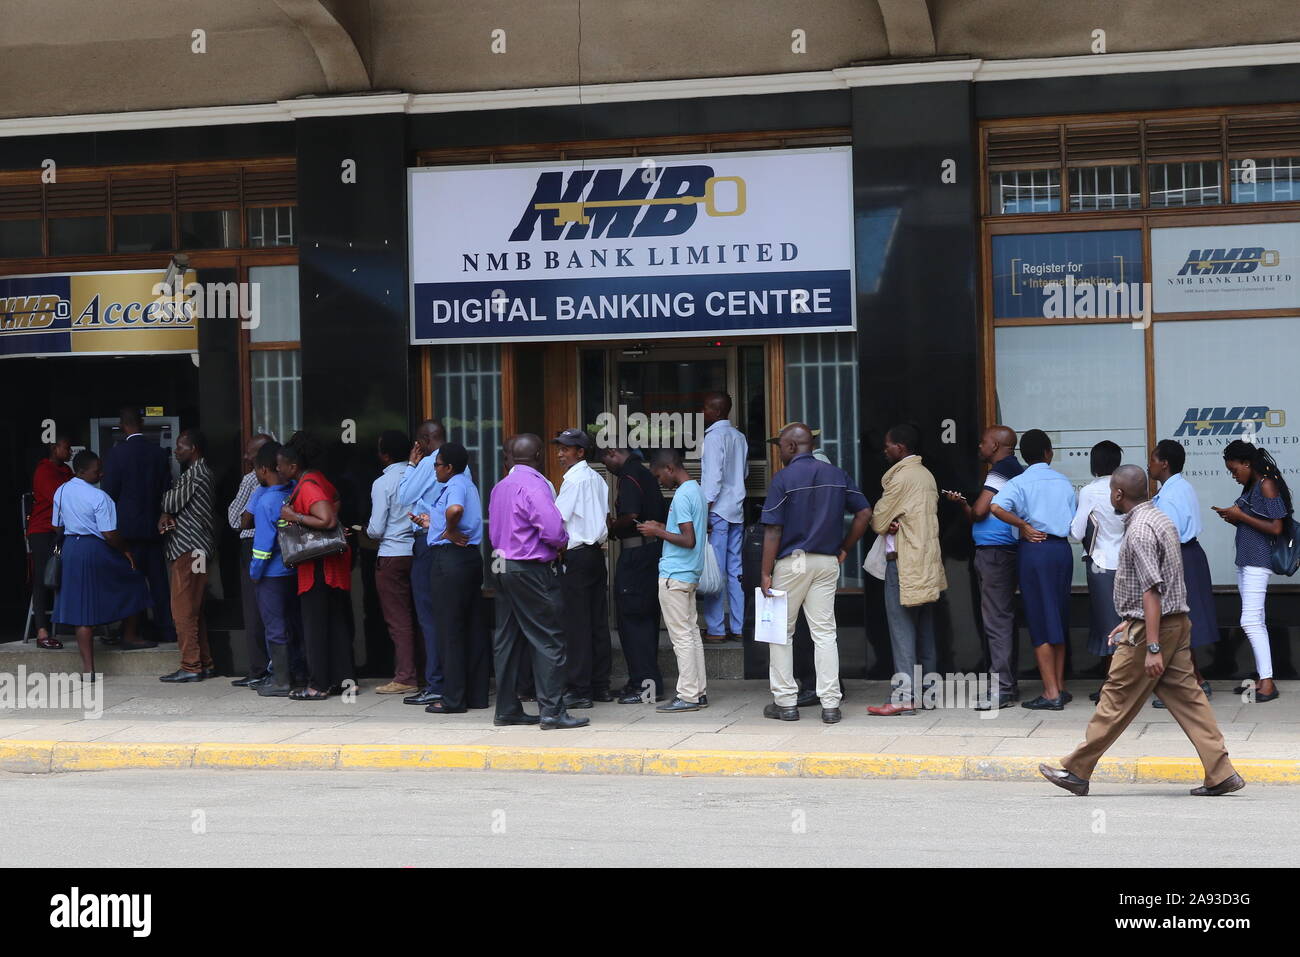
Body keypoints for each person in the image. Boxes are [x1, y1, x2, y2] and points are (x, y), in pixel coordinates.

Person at [1040, 465, 1244, 798]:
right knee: (1189, 700)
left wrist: (1150, 645)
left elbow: (1153, 589)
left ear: (1118, 494)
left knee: (1116, 696)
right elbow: (1156, 586)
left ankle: (1076, 770)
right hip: (1175, 623)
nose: (1110, 495)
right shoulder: (1160, 518)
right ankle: (1221, 772)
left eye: (1112, 491)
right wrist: (1131, 618)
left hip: (1155, 629)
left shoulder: (1139, 531)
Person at [760, 423, 873, 723]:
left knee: (782, 633)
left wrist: (765, 572)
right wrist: (845, 547)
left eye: (782, 447)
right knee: (825, 634)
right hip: (826, 562)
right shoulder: (837, 475)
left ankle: (785, 703)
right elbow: (864, 512)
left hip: (793, 562)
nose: (780, 453)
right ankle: (831, 704)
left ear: (793, 447)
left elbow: (773, 528)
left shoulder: (783, 478)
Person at [488, 434, 588, 730]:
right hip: (529, 569)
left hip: (501, 565)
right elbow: (554, 530)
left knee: (506, 639)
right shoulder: (535, 485)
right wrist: (562, 543)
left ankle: (506, 709)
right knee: (548, 639)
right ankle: (552, 712)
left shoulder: (500, 486)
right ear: (540, 456)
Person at [990, 428, 1077, 710]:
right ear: (1049, 453)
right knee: (1059, 617)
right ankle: (1060, 687)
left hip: (1035, 550)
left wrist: (1024, 526)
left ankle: (1050, 693)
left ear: (1023, 456)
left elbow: (995, 507)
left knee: (1040, 619)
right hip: (1061, 551)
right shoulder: (1064, 482)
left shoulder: (1020, 481)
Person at [866, 425, 948, 716]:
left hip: (904, 564)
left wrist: (886, 522)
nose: (884, 450)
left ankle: (902, 697)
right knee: (925, 630)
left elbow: (877, 520)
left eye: (888, 445)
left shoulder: (901, 478)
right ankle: (927, 693)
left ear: (900, 448)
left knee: (902, 632)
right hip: (926, 560)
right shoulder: (926, 475)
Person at [51, 450, 153, 675]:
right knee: (135, 580)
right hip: (95, 549)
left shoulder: (60, 491)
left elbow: (57, 526)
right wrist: (126, 550)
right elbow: (109, 533)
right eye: (97, 471)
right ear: (82, 471)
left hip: (71, 549)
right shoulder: (100, 497)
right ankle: (129, 635)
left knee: (81, 609)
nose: (101, 474)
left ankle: (88, 669)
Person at [944, 425, 1023, 710]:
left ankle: (1001, 688)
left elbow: (979, 512)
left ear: (997, 445)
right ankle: (1008, 684)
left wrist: (966, 506)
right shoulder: (1015, 468)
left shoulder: (1001, 470)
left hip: (995, 553)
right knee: (1004, 618)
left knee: (996, 621)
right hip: (1008, 549)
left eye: (983, 441)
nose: (979, 446)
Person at [278, 433, 355, 701]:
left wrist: (294, 517)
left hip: (318, 566)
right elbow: (335, 502)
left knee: (315, 626)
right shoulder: (318, 479)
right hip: (330, 563)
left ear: (293, 466)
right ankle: (344, 681)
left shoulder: (308, 485)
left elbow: (327, 518)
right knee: (334, 622)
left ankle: (318, 685)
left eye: (281, 465)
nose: (278, 469)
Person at [413, 441, 489, 714]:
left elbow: (455, 511)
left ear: (449, 467)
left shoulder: (455, 483)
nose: (434, 470)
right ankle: (476, 695)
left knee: (450, 630)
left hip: (450, 560)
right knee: (472, 626)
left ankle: (453, 699)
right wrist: (432, 522)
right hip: (469, 559)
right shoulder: (468, 484)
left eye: (437, 464)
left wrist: (447, 529)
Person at [1213, 439, 1290, 703]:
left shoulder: (1266, 484)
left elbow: (1277, 527)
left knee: (1249, 621)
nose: (1234, 475)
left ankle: (1267, 683)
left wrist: (1241, 516)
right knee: (1256, 620)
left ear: (1247, 464)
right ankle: (1262, 679)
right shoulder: (1252, 487)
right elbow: (1257, 525)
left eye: (1235, 470)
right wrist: (1234, 518)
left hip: (1259, 561)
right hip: (1246, 560)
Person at [639, 447, 709, 713]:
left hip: (675, 575)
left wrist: (657, 531)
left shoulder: (681, 496)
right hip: (689, 574)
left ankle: (688, 695)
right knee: (691, 634)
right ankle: (698, 691)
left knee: (681, 637)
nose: (660, 482)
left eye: (659, 476)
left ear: (669, 468)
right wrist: (664, 527)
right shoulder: (696, 490)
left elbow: (687, 540)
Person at [599, 445, 669, 704]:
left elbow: (630, 516)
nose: (607, 467)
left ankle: (646, 686)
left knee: (634, 621)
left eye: (605, 461)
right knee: (645, 620)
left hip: (637, 556)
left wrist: (610, 527)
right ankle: (640, 681)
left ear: (613, 453)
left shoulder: (629, 477)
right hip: (649, 556)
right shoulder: (643, 474)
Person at [1150, 439, 1217, 706]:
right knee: (1179, 621)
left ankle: (1190, 684)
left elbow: (1167, 535)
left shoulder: (1169, 495)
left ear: (1164, 463)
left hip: (1178, 558)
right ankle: (1194, 680)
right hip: (1190, 554)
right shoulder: (1181, 486)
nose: (1149, 464)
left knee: (1174, 621)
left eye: (1153, 459)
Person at [101, 405, 174, 644]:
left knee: (130, 582)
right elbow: (167, 490)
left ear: (122, 427)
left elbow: (109, 493)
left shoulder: (116, 454)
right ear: (141, 424)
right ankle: (166, 629)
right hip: (153, 528)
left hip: (127, 532)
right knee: (159, 583)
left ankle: (135, 629)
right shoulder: (158, 453)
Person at [553, 428, 613, 708]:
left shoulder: (573, 482)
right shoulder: (598, 479)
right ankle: (601, 685)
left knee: (577, 625)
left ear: (580, 452)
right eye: (559, 448)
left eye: (566, 449)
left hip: (577, 556)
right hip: (596, 555)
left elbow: (557, 521)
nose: (560, 454)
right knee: (597, 622)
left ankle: (579, 689)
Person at [397, 419, 452, 706]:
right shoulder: (457, 462)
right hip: (450, 545)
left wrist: (410, 465)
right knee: (444, 615)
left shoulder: (431, 462)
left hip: (427, 540)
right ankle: (447, 681)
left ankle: (435, 684)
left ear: (422, 441)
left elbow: (403, 496)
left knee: (428, 617)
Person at [158, 430, 217, 683]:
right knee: (195, 607)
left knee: (182, 610)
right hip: (199, 549)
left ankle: (190, 665)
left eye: (180, 446)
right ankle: (205, 662)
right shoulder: (203, 473)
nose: (175, 450)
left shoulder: (194, 474)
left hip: (188, 549)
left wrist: (165, 510)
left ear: (193, 448)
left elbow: (170, 502)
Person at [1070, 441, 1126, 703]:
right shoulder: (1127, 486)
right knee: (1127, 623)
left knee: (1109, 626)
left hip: (1101, 563)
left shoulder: (1091, 491)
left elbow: (1078, 530)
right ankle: (1121, 683)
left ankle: (1114, 687)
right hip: (1128, 563)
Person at [245, 441, 301, 697]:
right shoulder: (293, 491)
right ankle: (296, 673)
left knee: (275, 627)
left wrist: (255, 573)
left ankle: (281, 680)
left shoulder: (266, 501)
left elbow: (263, 546)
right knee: (293, 623)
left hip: (271, 574)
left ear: (264, 470)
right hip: (294, 569)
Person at [368, 429, 419, 695]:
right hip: (418, 552)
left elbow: (376, 529)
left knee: (398, 619)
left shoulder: (382, 483)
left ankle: (406, 676)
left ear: (385, 455)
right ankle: (426, 671)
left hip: (391, 554)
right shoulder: (422, 476)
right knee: (421, 614)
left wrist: (364, 532)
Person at [699, 392, 748, 644]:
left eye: (706, 407)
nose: (704, 412)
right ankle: (739, 626)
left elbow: (712, 479)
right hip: (736, 510)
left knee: (714, 570)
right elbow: (745, 472)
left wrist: (704, 511)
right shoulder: (739, 437)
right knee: (735, 570)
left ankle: (716, 628)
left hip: (717, 510)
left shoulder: (713, 437)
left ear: (716, 411)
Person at [227, 433, 274, 686]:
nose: (245, 457)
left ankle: (258, 670)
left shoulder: (251, 480)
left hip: (253, 546)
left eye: (251, 453)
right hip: (279, 548)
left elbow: (235, 520)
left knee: (255, 611)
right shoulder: (286, 481)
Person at [28, 434, 73, 649]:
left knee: (72, 573)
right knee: (42, 579)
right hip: (43, 530)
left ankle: (72, 624)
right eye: (67, 447)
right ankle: (41, 631)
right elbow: (61, 498)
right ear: (55, 448)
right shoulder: (44, 470)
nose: (70, 451)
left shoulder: (66, 470)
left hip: (66, 531)